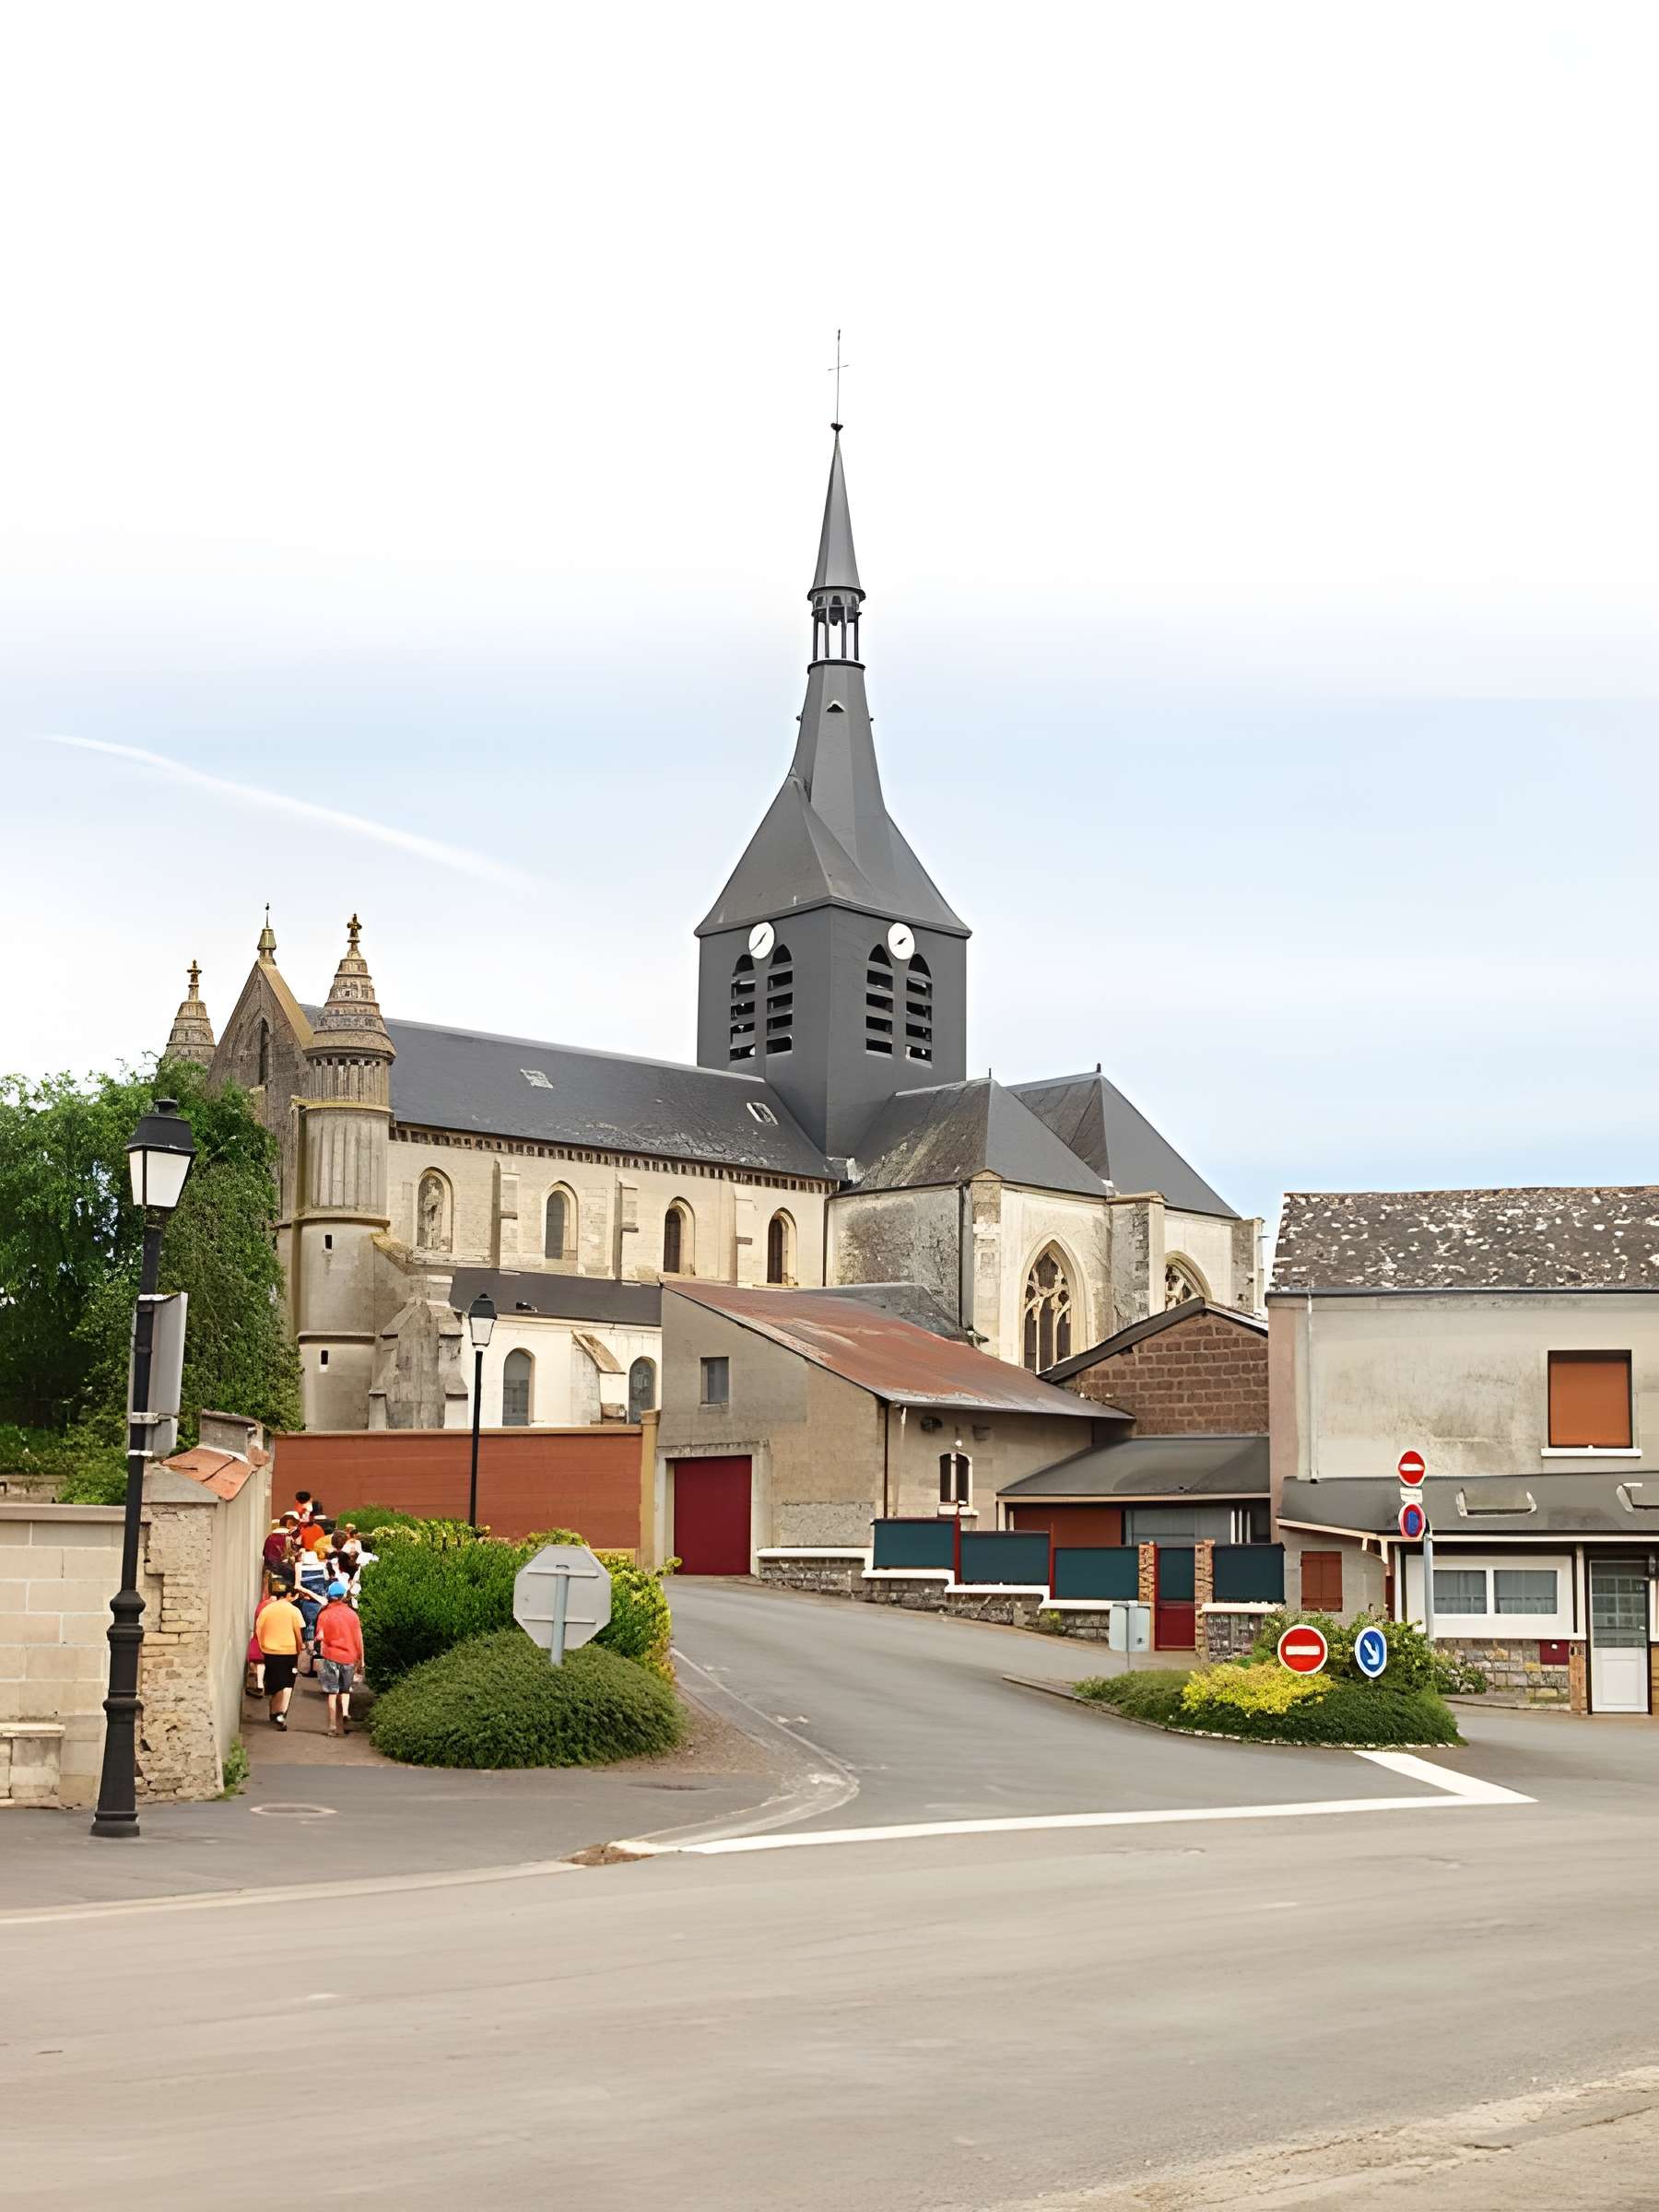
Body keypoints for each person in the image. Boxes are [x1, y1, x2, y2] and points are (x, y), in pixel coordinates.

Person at [255, 1579, 307, 1730]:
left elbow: (259, 1629)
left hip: (269, 1651)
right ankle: (280, 1714)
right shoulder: (293, 1610)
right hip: (288, 1651)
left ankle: (273, 1712)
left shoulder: (267, 1609)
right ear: (289, 1594)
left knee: (273, 1681)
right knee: (286, 1684)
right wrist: (300, 1647)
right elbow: (298, 1631)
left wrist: (263, 1646)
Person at [315, 1580, 365, 1736]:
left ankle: (331, 1726)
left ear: (329, 1596)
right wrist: (361, 1659)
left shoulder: (324, 1614)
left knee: (332, 1691)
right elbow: (359, 1638)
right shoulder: (353, 1615)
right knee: (345, 1690)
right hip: (349, 1656)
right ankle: (344, 1712)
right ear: (343, 1596)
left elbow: (320, 1636)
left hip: (331, 1655)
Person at [293, 1537, 331, 1673]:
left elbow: (297, 1585)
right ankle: (317, 1659)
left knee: (309, 1626)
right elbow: (327, 1581)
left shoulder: (299, 1567)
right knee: (319, 1627)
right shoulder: (322, 1567)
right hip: (321, 1601)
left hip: (308, 1601)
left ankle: (310, 1659)